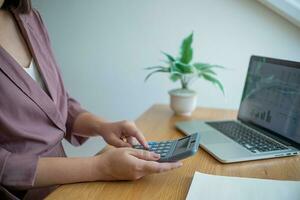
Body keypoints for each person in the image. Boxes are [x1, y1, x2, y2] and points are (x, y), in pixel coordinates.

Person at [0, 0, 182, 199]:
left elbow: (55, 107)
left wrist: (101, 126)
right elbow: (4, 165)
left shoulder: (30, 19)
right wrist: (102, 167)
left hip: (66, 186)